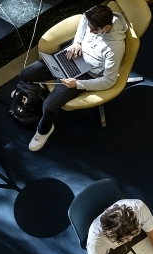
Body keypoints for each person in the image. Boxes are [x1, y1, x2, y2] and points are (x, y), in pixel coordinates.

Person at [17, 5, 128, 151]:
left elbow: (109, 80)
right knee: (25, 74)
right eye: (90, 26)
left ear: (107, 27)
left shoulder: (115, 48)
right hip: (73, 56)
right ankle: (32, 94)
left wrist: (78, 84)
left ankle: (43, 130)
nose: (90, 30)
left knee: (49, 106)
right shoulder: (94, 16)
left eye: (95, 29)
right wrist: (77, 42)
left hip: (86, 74)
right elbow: (84, 19)